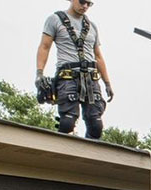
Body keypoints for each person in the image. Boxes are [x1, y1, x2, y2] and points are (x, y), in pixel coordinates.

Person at [35, 0, 113, 139]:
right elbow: (44, 47)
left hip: (90, 79)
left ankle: (88, 156)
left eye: (89, 4)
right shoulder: (55, 19)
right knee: (67, 122)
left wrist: (107, 83)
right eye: (82, 2)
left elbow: (98, 56)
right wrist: (39, 74)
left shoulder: (91, 26)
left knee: (96, 125)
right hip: (68, 77)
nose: (85, 6)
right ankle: (58, 153)